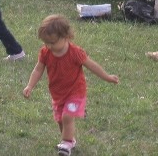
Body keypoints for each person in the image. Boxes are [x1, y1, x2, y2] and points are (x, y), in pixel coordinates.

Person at [23, 14, 120, 156]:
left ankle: (66, 143)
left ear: (66, 36)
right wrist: (30, 86)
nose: (49, 46)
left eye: (52, 42)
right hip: (57, 93)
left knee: (67, 117)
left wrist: (107, 77)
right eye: (46, 42)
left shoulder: (75, 53)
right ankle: (70, 141)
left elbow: (92, 66)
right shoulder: (45, 52)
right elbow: (38, 69)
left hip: (75, 92)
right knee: (60, 119)